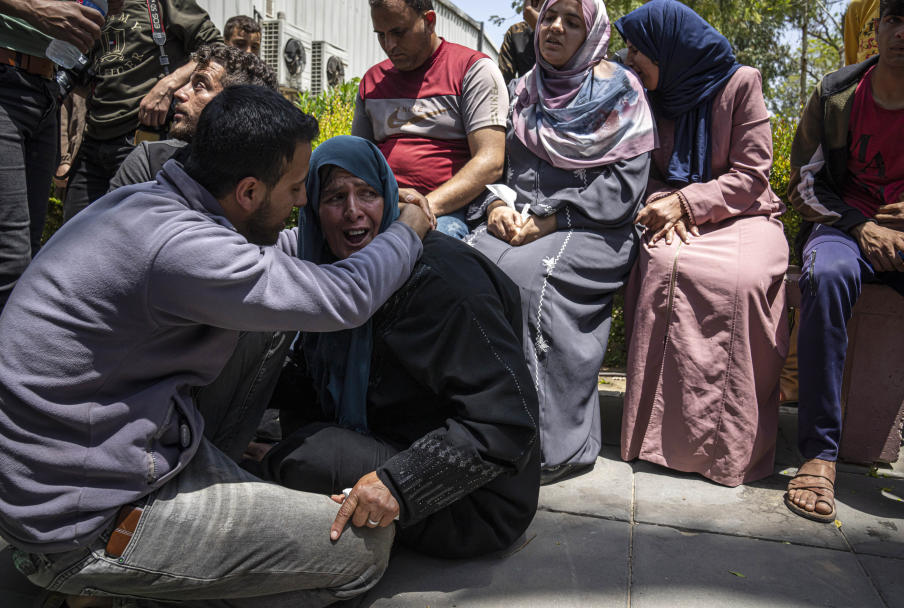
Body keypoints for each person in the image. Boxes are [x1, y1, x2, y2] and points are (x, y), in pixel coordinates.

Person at [0, 86, 435, 605]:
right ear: (249, 192)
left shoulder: (149, 206)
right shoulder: (182, 248)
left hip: (81, 471)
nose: (304, 203)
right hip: (82, 522)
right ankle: (111, 583)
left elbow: (274, 259)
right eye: (298, 189)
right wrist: (408, 229)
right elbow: (346, 297)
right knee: (363, 548)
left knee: (271, 319)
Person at [256, 135, 540, 559]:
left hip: (476, 501)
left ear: (390, 199)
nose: (354, 211)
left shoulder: (444, 286)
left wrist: (398, 484)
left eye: (368, 193)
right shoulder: (336, 271)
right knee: (288, 428)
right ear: (314, 211)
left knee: (305, 458)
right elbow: (313, 373)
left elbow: (505, 424)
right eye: (335, 197)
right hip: (396, 436)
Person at [786, 0, 904, 545]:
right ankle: (818, 454)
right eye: (894, 19)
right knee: (827, 276)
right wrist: (860, 227)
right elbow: (804, 184)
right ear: (876, 27)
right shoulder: (837, 95)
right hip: (845, 224)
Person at [466, 0, 656, 483]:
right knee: (462, 269)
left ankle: (550, 445)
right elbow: (499, 170)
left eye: (572, 22)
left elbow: (624, 187)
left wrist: (551, 218)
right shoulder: (526, 87)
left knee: (531, 284)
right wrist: (493, 209)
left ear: (591, 35)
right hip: (522, 218)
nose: (555, 29)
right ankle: (475, 427)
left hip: (595, 225)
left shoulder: (621, 91)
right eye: (551, 18)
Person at [614, 0, 789, 487]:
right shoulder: (644, 94)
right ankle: (655, 441)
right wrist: (662, 204)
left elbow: (752, 175)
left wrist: (689, 203)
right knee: (663, 265)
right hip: (669, 208)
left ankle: (728, 448)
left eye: (636, 49)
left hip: (743, 214)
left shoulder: (740, 84)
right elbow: (636, 167)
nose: (629, 59)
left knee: (741, 280)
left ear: (670, 48)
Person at [0, 0, 124, 314]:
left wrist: (90, 2)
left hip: (42, 90)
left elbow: (58, 5)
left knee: (26, 250)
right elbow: (44, 9)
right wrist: (39, 9)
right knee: (9, 258)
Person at [352, 0, 509, 239]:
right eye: (381, 35)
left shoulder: (473, 70)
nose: (389, 46)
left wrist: (423, 207)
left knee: (427, 258)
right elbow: (358, 161)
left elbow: (490, 161)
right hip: (382, 206)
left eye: (399, 32)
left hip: (447, 211)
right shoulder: (372, 82)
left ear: (429, 21)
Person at [63, 0, 223, 221]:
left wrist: (168, 85)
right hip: (93, 141)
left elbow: (214, 48)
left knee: (133, 233)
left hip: (143, 138)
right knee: (73, 235)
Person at [109, 43, 277, 190]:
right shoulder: (151, 161)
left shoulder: (261, 181)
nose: (179, 93)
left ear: (239, 105)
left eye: (200, 85)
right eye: (187, 83)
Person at [498, 0, 565, 84]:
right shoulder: (515, 35)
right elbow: (502, 88)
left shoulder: (575, 32)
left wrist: (540, 30)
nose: (528, 8)